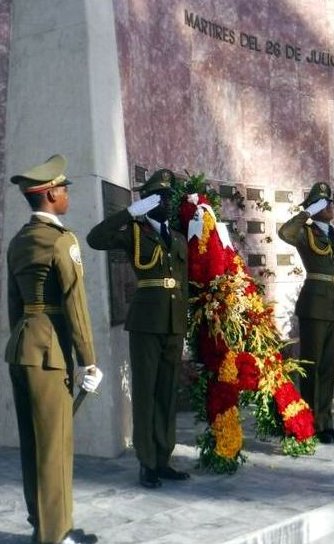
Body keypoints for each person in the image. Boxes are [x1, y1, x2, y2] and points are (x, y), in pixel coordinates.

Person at [5, 154, 102, 544]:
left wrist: (23, 341)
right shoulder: (63, 241)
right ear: (48, 196)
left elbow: (14, 305)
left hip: (22, 349)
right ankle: (55, 535)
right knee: (55, 447)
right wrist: (89, 362)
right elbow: (75, 305)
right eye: (61, 190)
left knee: (33, 444)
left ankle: (40, 525)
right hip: (50, 355)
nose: (65, 195)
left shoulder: (19, 241)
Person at [87, 169, 189, 488]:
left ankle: (163, 457)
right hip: (146, 322)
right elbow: (95, 239)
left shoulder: (178, 237)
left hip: (173, 323)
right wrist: (128, 213)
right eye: (160, 197)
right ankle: (147, 462)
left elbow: (183, 283)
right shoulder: (133, 231)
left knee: (167, 393)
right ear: (147, 201)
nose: (167, 203)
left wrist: (185, 322)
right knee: (146, 392)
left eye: (170, 198)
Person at [278, 182, 334, 444]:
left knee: (328, 367)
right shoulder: (305, 232)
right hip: (313, 306)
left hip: (331, 305)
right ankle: (308, 423)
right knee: (312, 365)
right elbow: (285, 233)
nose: (329, 207)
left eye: (329, 203)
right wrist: (306, 213)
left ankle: (325, 422)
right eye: (323, 203)